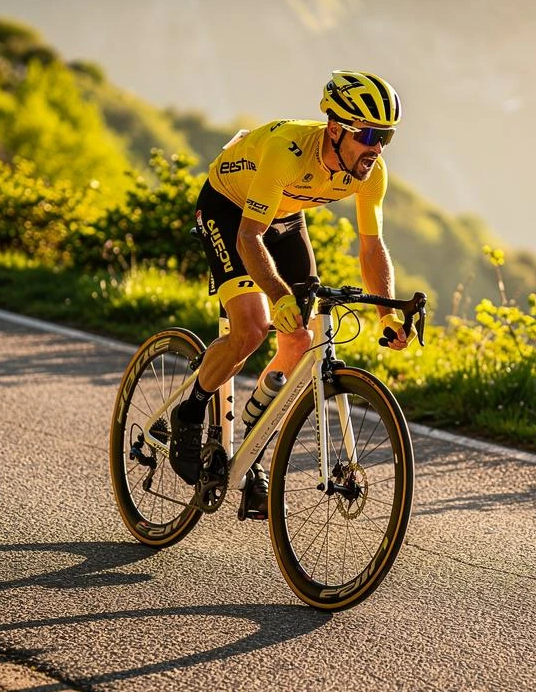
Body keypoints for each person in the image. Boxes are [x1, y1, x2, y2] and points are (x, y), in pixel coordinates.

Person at [170, 69, 411, 519]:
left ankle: (252, 449)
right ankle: (190, 412)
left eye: (386, 137)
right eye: (368, 134)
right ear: (335, 129)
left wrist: (384, 314)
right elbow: (247, 238)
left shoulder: (369, 172)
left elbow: (371, 245)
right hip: (230, 212)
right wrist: (278, 294)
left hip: (283, 218)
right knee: (253, 328)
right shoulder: (289, 151)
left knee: (300, 342)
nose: (376, 148)